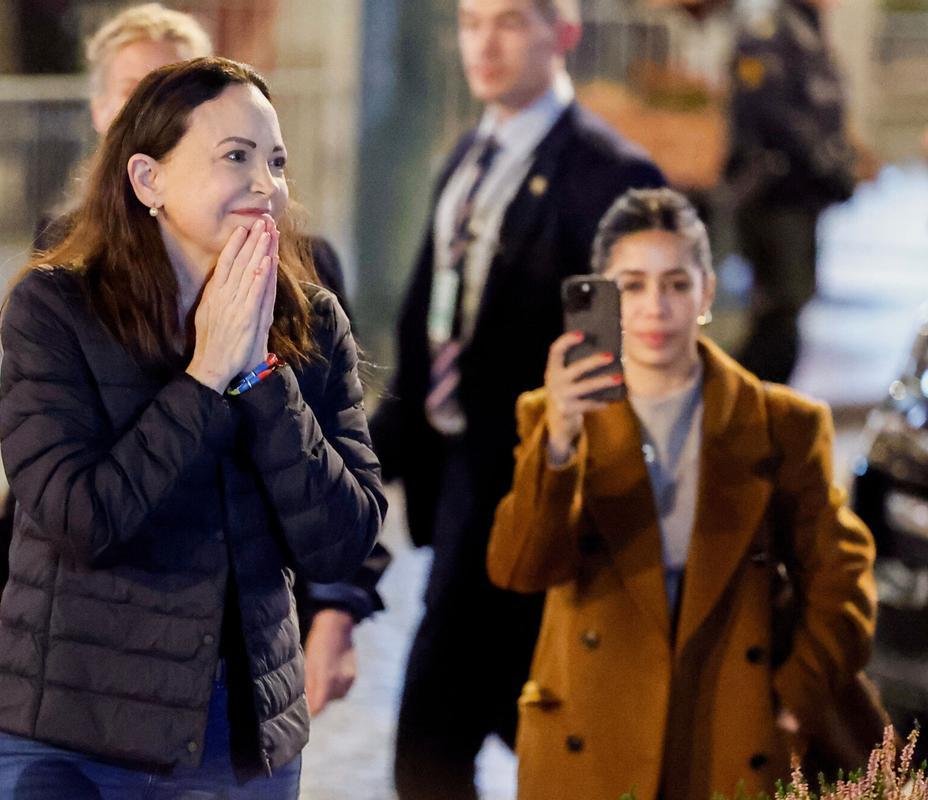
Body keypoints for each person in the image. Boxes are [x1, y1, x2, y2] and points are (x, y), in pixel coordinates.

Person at [0, 2, 388, 718]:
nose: (264, 184)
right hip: (81, 697)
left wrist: (257, 371)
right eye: (135, 92)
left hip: (235, 702)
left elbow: (341, 523)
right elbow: (52, 478)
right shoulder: (60, 288)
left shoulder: (304, 292)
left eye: (272, 159)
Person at [487, 187, 877, 799]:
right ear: (603, 293)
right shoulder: (554, 414)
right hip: (592, 737)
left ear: (707, 293)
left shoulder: (781, 423)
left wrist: (793, 701)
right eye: (632, 285)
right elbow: (519, 568)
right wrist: (559, 440)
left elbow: (841, 577)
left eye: (675, 283)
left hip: (728, 731)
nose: (655, 307)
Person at [367, 1, 664, 796]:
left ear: (562, 33)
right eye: (469, 23)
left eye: (507, 21)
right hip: (458, 485)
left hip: (531, 494)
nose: (483, 43)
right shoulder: (469, 155)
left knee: (441, 742)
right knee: (483, 732)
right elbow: (433, 328)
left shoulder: (610, 175)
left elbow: (607, 369)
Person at [726, 0, 860, 384]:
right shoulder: (769, 33)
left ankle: (758, 413)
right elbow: (771, 115)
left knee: (789, 310)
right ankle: (737, 407)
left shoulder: (808, 34)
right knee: (778, 315)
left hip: (802, 197)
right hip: (774, 196)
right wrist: (825, 163)